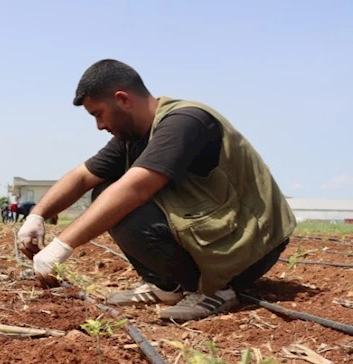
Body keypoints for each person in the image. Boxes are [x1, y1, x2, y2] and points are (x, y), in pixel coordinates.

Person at [17, 59, 295, 322]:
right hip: (222, 233)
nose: (99, 126)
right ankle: (167, 286)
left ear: (123, 99)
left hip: (253, 244)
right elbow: (82, 176)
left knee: (122, 204)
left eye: (98, 114)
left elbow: (136, 188)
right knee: (104, 191)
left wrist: (60, 248)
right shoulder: (134, 136)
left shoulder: (185, 121)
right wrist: (38, 215)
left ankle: (216, 291)